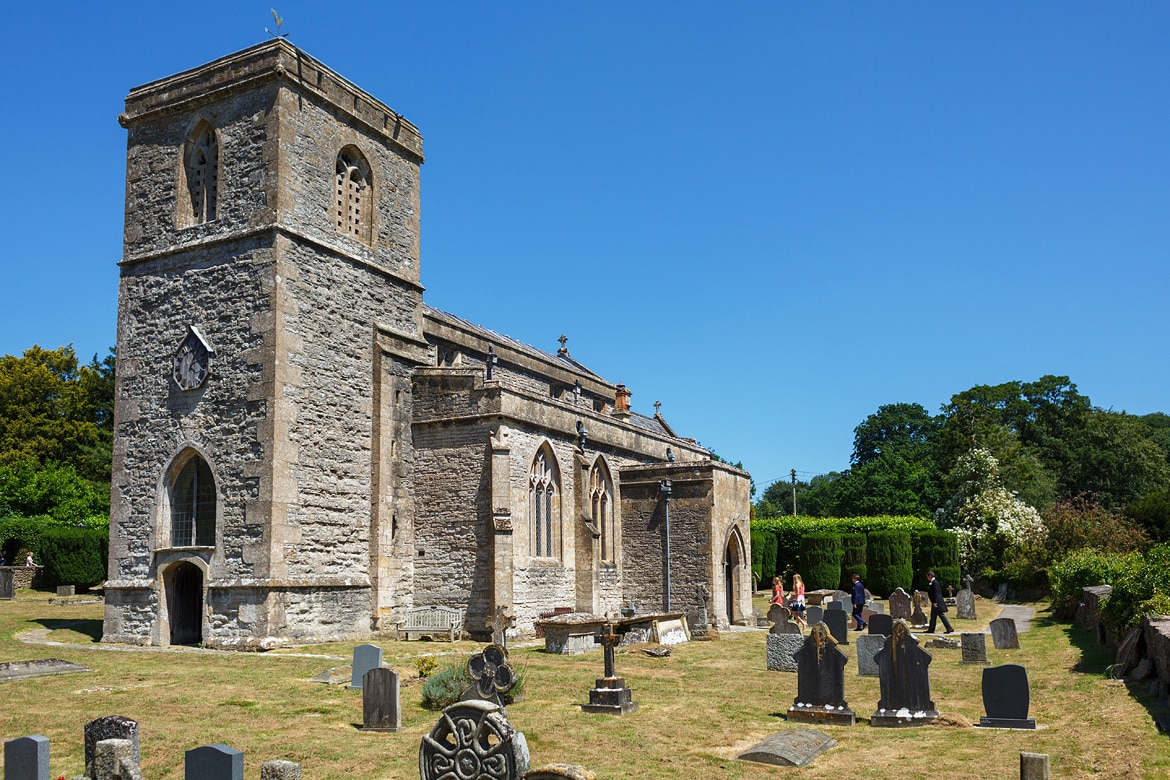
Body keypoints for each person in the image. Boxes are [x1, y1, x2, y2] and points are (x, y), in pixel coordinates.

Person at [927, 570, 954, 634]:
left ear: (930, 576)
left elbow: (936, 593)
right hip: (934, 602)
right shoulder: (932, 582)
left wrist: (935, 602)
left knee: (941, 615)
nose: (927, 578)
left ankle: (949, 628)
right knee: (933, 616)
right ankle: (931, 629)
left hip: (937, 602)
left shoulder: (935, 582)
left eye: (927, 576)